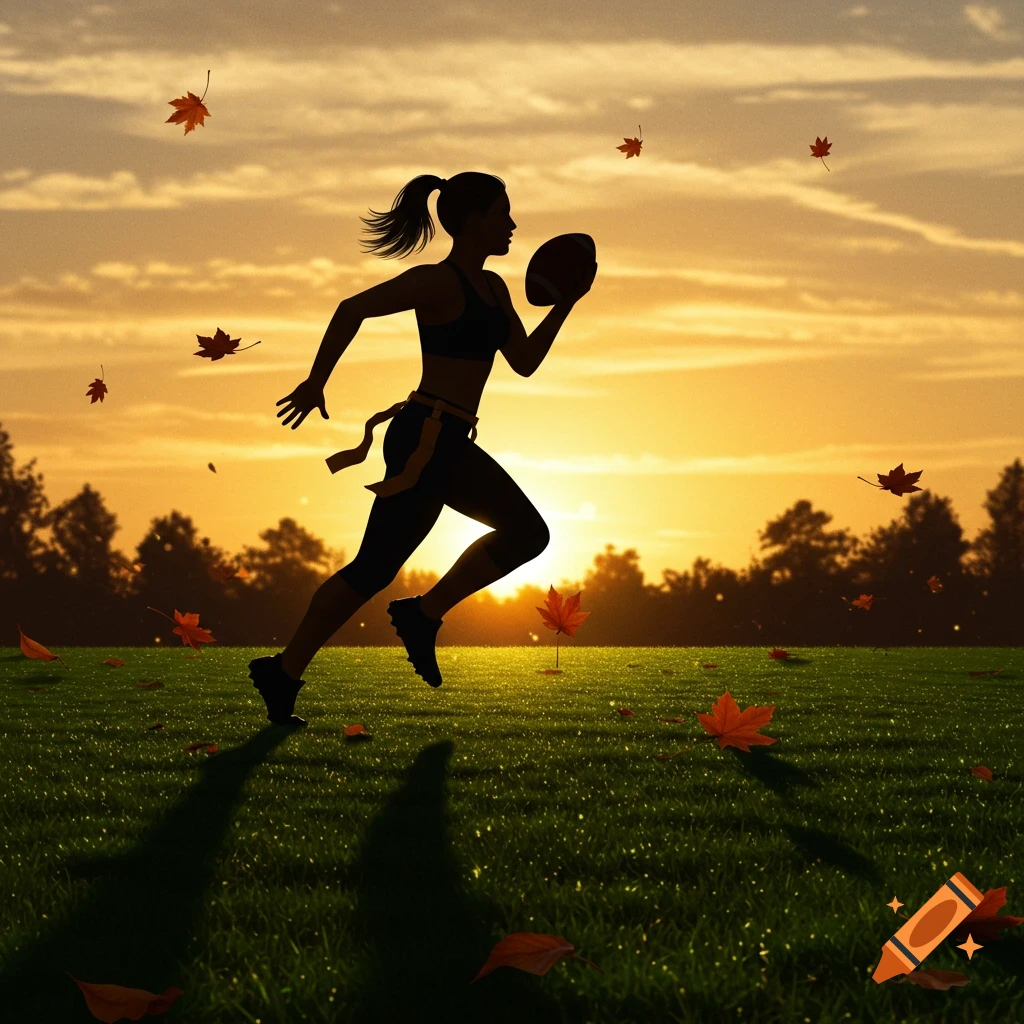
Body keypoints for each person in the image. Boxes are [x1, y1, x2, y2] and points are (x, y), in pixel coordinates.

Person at [249, 171, 597, 725]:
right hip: (424, 438)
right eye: (502, 213)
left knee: (527, 534)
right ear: (471, 220)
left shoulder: (495, 290)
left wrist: (566, 304)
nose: (511, 224)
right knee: (372, 570)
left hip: (452, 440)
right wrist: (317, 381)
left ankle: (418, 616)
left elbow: (525, 362)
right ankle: (288, 669)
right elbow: (350, 308)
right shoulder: (436, 282)